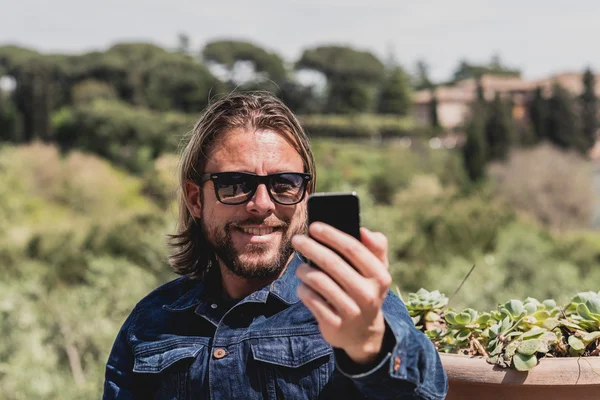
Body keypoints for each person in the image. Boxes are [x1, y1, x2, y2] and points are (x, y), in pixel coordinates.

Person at [103, 92, 448, 399]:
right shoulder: (151, 321)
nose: (262, 204)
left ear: (305, 197)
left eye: (284, 183)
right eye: (235, 183)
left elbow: (424, 390)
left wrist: (371, 346)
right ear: (196, 199)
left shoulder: (350, 304)